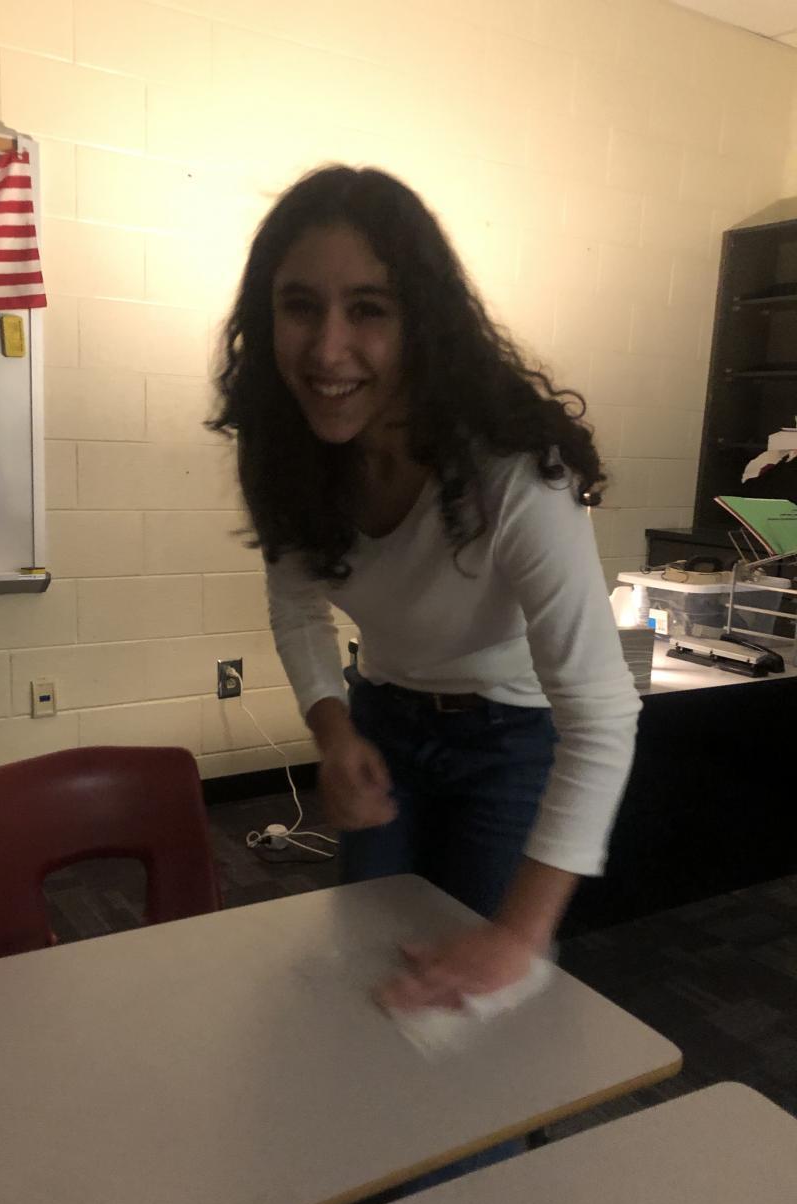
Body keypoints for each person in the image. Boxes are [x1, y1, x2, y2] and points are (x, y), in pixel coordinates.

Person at [210, 165, 642, 1014]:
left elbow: (601, 716)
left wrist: (519, 937)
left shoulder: (516, 474)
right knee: (372, 960)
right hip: (386, 721)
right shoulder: (286, 453)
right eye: (300, 306)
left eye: (369, 309)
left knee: (474, 996)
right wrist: (334, 731)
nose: (327, 349)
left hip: (513, 737)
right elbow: (296, 607)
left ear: (423, 323)